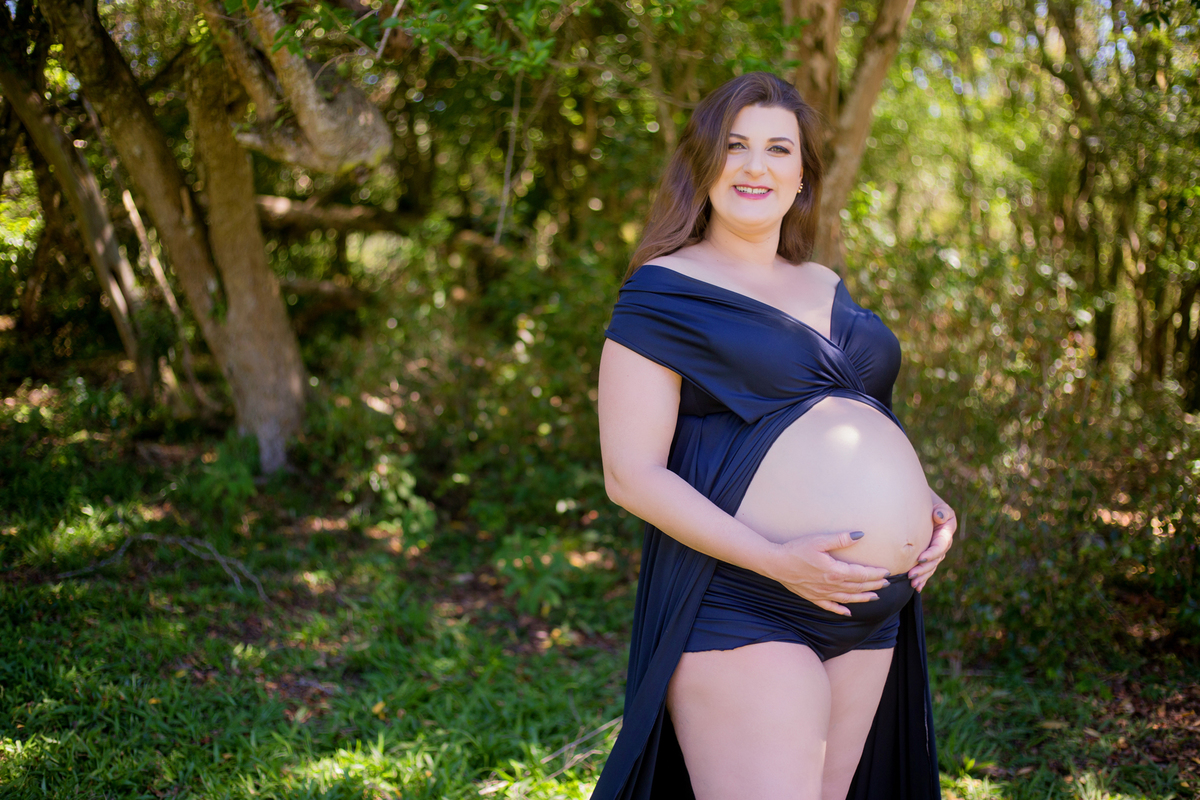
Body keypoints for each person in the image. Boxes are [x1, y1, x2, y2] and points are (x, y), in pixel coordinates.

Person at [592, 72, 957, 800]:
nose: (755, 165)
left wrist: (926, 506)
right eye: (736, 146)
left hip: (867, 610)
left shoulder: (825, 282)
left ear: (801, 177)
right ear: (705, 164)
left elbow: (845, 419)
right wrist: (776, 560)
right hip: (745, 597)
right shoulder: (664, 291)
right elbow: (630, 474)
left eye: (778, 149)